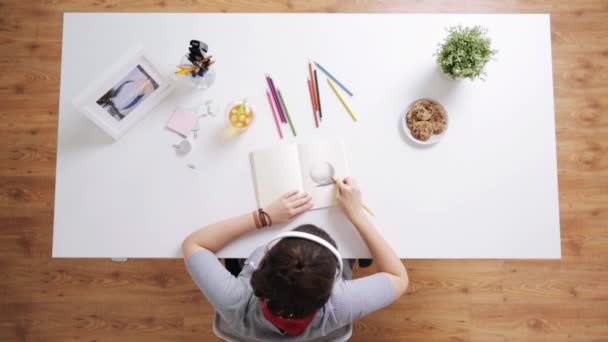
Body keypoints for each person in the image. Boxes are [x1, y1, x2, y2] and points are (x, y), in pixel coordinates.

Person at [182, 177, 409, 341]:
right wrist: (357, 214)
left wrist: (263, 217)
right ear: (333, 287)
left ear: (261, 269)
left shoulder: (236, 302)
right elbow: (398, 277)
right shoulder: (339, 306)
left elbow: (194, 243)